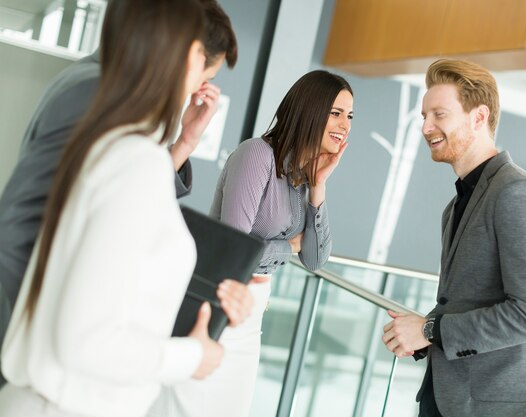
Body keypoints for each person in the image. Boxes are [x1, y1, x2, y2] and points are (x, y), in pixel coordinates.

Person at [0, 0, 245, 416]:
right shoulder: (116, 128)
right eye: (205, 70)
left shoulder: (118, 136)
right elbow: (85, 337)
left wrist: (181, 143)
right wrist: (191, 355)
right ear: (188, 54)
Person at [152, 70, 353, 417]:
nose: (344, 125)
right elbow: (237, 250)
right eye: (335, 113)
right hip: (219, 304)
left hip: (252, 313)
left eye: (349, 116)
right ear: (310, 110)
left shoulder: (305, 177)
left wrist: (319, 188)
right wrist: (288, 247)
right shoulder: (257, 155)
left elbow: (317, 259)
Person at [382, 59, 526, 417]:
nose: (426, 126)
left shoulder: (519, 194)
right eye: (423, 116)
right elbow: (468, 300)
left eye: (439, 114)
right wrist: (419, 333)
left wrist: (431, 330)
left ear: (479, 117)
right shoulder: (456, 205)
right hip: (452, 397)